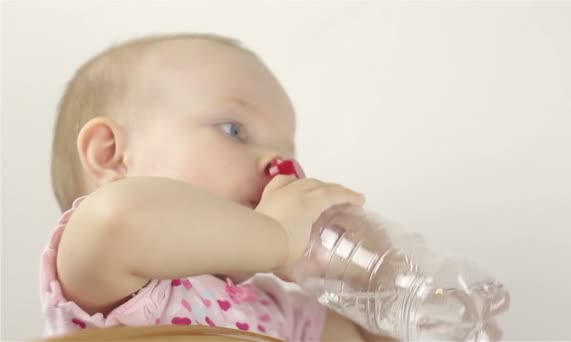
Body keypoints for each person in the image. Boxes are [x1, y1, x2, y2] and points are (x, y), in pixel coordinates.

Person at [41, 33, 393, 341]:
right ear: (111, 157)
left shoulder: (280, 312)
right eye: (234, 131)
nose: (281, 169)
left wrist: (371, 284)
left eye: (288, 154)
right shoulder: (102, 272)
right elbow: (116, 218)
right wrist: (278, 236)